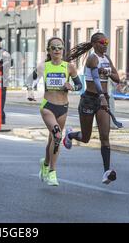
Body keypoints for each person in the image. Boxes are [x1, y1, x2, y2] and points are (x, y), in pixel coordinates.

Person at [65, 32, 120, 184]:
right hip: (90, 99)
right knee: (86, 137)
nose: (105, 44)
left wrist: (107, 72)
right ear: (95, 43)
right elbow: (95, 79)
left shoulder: (106, 59)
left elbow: (117, 78)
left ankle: (106, 172)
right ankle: (69, 135)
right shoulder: (92, 58)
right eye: (103, 42)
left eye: (107, 42)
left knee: (105, 137)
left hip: (103, 99)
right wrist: (101, 96)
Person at [27, 37, 82, 186]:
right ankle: (52, 172)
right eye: (54, 48)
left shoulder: (69, 67)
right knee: (58, 135)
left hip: (63, 107)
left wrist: (71, 87)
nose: (57, 50)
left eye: (60, 47)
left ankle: (45, 163)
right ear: (49, 51)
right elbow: (29, 80)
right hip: (48, 106)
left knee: (53, 139)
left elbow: (79, 86)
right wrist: (30, 92)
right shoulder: (43, 67)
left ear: (63, 50)